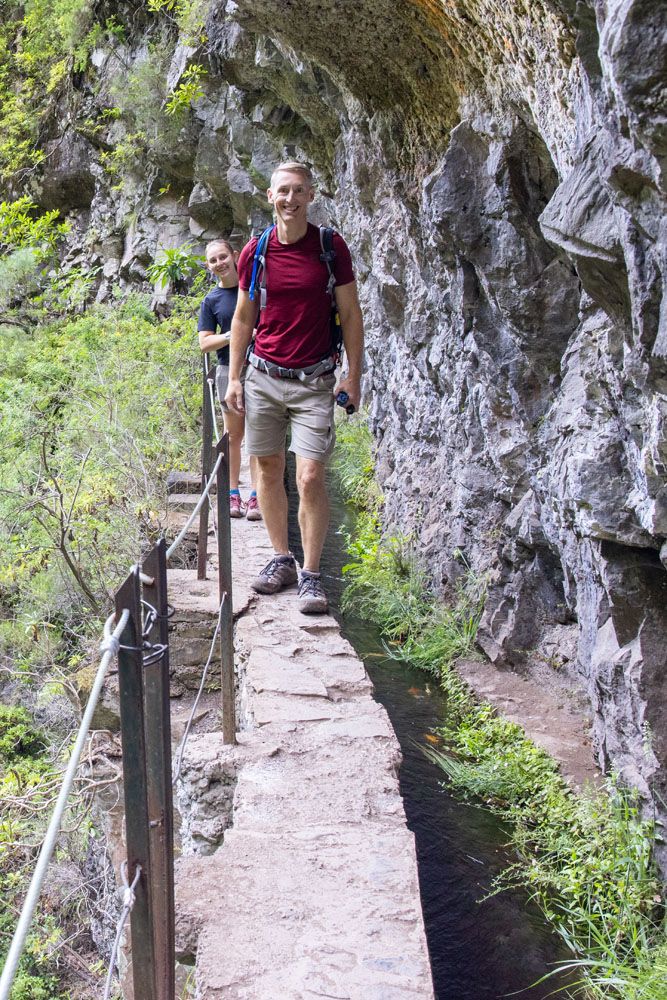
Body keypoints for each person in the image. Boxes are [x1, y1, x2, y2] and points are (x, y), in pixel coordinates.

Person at [225, 162, 364, 614]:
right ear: (270, 197)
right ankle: (280, 557)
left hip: (315, 381)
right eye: (283, 192)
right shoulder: (256, 251)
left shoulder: (330, 247)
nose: (290, 199)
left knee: (309, 477)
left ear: (311, 195)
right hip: (264, 377)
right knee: (266, 468)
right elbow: (244, 318)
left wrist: (354, 376)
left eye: (298, 191)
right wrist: (234, 379)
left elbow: (351, 312)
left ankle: (311, 574)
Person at [197, 237, 261, 521]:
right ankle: (233, 493)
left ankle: (257, 496)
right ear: (209, 267)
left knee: (260, 435)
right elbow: (204, 344)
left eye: (223, 257)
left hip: (261, 368)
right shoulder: (211, 300)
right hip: (227, 369)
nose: (220, 263)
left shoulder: (255, 288)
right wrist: (233, 334)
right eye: (213, 260)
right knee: (233, 435)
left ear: (234, 255)